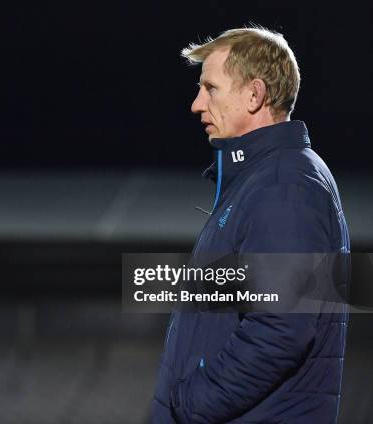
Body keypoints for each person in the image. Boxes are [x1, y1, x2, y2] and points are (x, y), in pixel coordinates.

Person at [151, 28, 349, 423]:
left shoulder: (285, 185)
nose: (196, 104)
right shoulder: (266, 179)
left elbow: (281, 330)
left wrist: (190, 405)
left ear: (255, 95)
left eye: (210, 88)